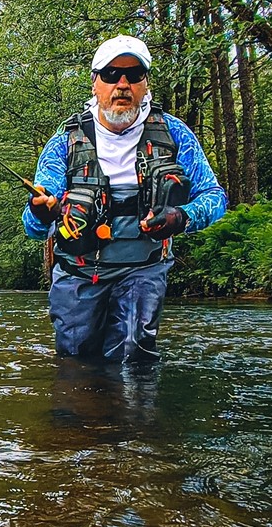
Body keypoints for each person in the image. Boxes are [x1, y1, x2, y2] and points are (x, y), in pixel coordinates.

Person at [25, 34, 228, 363]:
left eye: (133, 75)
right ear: (95, 84)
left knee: (133, 356)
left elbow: (215, 198)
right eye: (111, 75)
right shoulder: (63, 142)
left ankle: (130, 415)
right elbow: (33, 225)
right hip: (79, 271)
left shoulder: (175, 134)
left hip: (144, 269)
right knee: (76, 362)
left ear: (145, 85)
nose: (122, 84)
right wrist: (42, 213)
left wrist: (182, 217)